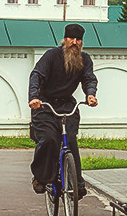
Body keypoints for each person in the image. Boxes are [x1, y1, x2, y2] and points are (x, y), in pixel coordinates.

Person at [29, 23, 97, 195]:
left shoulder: (84, 59)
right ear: (64, 40)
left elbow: (89, 79)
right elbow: (36, 75)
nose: (74, 42)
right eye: (71, 39)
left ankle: (77, 183)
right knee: (49, 139)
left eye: (78, 39)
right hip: (44, 104)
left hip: (67, 104)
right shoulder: (51, 55)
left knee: (71, 140)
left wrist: (90, 94)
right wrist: (34, 97)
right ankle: (41, 177)